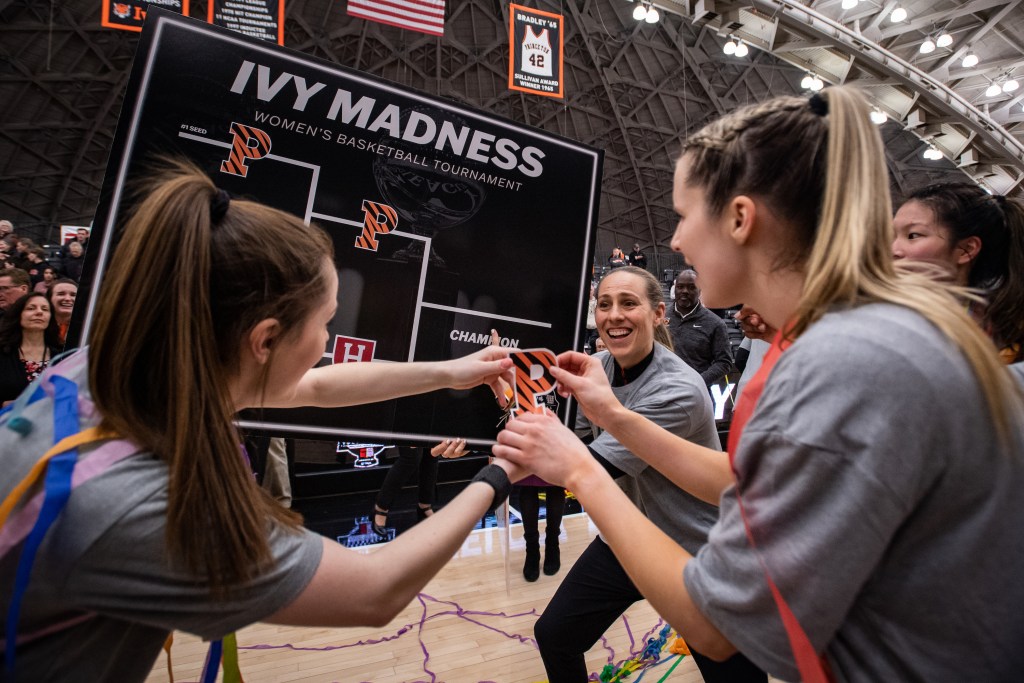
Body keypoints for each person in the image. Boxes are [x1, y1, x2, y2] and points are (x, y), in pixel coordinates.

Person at [495, 88, 1024, 682]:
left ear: (741, 219)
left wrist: (579, 470)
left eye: (683, 214)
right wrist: (610, 413)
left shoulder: (840, 363)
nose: (675, 242)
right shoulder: (860, 334)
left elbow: (717, 628)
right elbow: (746, 480)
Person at [0, 160, 525, 681]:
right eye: (326, 322)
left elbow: (315, 386)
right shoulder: (142, 507)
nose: (327, 343)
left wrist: (451, 372)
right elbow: (374, 588)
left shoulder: (106, 366)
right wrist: (501, 472)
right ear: (266, 340)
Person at [530, 265, 764, 683]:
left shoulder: (679, 389)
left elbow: (589, 467)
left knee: (735, 677)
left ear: (658, 314)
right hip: (628, 538)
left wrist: (509, 457)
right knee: (554, 635)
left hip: (696, 552)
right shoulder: (596, 366)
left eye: (628, 303)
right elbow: (574, 433)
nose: (614, 314)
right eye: (604, 304)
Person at [892, 182, 1024, 362]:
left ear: (966, 249)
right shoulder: (881, 313)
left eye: (913, 235)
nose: (894, 250)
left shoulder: (1003, 341)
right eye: (892, 236)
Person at [667, 269, 733, 387]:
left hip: (697, 395)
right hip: (661, 393)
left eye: (691, 287)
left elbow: (724, 362)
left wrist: (697, 382)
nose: (685, 291)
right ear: (674, 289)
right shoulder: (659, 317)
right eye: (680, 287)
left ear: (700, 290)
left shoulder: (715, 323)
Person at [0, 292, 61, 405]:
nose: (39, 312)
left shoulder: (63, 356)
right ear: (19, 315)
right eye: (31, 308)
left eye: (45, 309)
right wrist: (5, 405)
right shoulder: (3, 353)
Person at [46, 277, 77, 345]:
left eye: (73, 295)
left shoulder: (86, 329)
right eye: (61, 294)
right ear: (49, 299)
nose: (68, 299)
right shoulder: (38, 328)